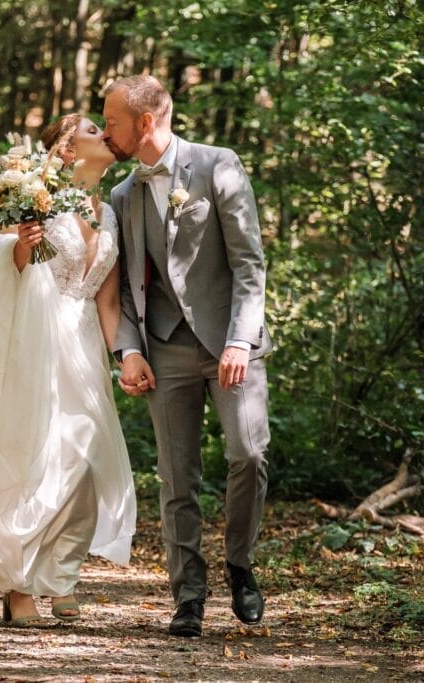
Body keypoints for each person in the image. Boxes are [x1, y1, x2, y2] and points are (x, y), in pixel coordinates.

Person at [102, 75, 272, 638]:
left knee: (247, 453)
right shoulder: (123, 195)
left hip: (230, 343)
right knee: (177, 478)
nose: (107, 131)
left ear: (145, 122)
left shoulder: (219, 165)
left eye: (112, 122)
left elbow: (249, 263)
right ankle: (189, 598)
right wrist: (128, 349)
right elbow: (126, 286)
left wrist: (240, 341)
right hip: (165, 346)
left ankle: (240, 566)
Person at [0, 114, 136, 627]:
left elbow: (106, 300)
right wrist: (21, 246)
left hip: (82, 346)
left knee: (83, 460)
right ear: (66, 148)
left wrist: (125, 357)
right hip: (32, 338)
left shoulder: (110, 213)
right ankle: (18, 586)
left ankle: (61, 576)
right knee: (31, 455)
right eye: (92, 128)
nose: (104, 132)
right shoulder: (37, 199)